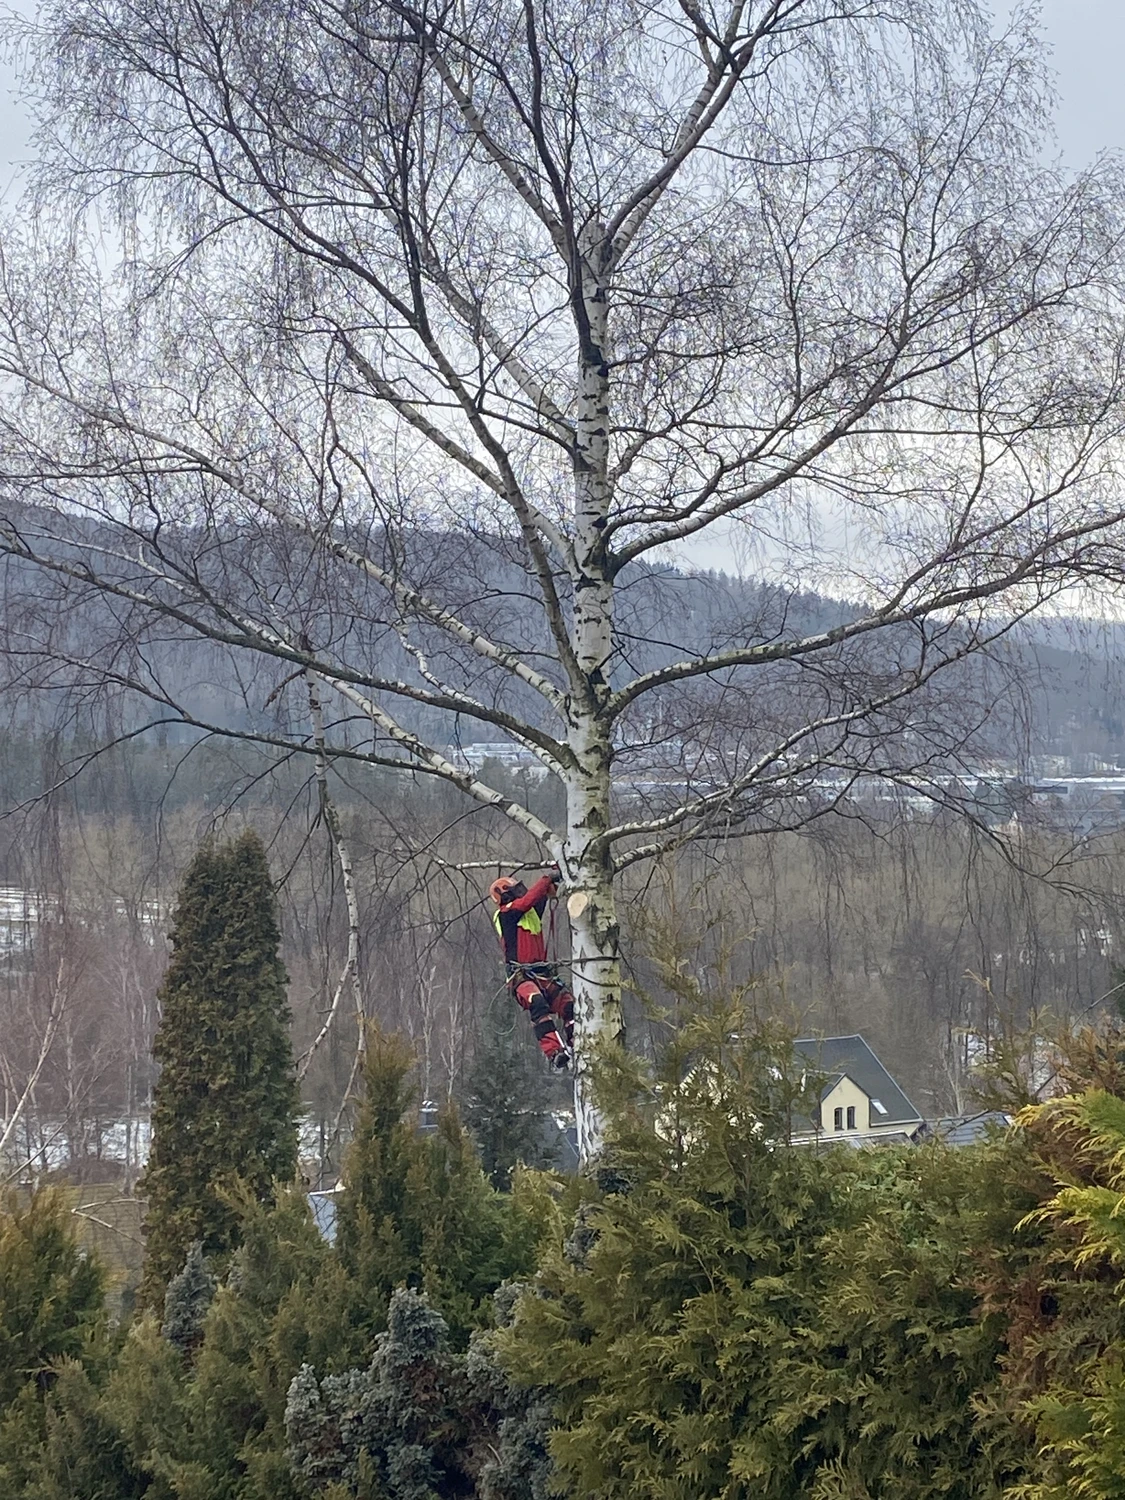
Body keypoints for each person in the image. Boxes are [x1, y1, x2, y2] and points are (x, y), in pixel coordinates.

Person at [489, 867, 575, 1069]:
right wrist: (546, 879)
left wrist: (555, 878)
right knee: (537, 1003)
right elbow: (528, 900)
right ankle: (554, 1052)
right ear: (505, 895)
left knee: (568, 1005)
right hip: (521, 976)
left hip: (541, 973)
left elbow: (537, 898)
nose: (521, 891)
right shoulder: (506, 914)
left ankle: (577, 1042)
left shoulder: (528, 913)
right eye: (515, 890)